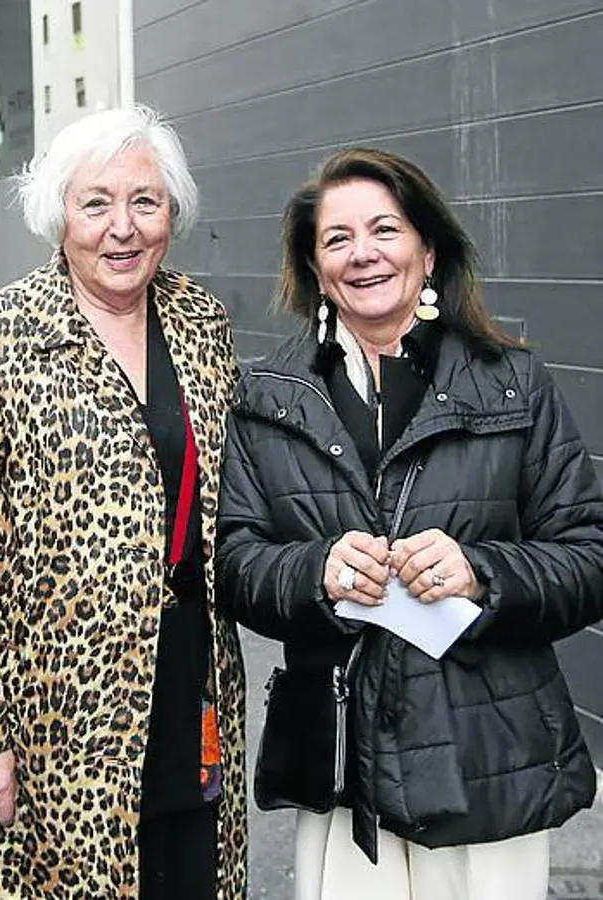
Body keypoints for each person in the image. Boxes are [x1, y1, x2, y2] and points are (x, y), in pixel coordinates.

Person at [215, 147, 603, 900]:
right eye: (336, 239)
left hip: (484, 756)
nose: (362, 254)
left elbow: (585, 558)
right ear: (315, 266)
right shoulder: (267, 398)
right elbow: (233, 563)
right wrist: (313, 572)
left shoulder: (511, 383)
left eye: (384, 229)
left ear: (427, 249)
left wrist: (482, 573)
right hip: (341, 757)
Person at [0, 105, 247, 899]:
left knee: (187, 876)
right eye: (95, 203)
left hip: (188, 675)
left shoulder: (201, 322)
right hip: (47, 714)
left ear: (171, 212)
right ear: (57, 215)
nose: (121, 228)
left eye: (144, 201)